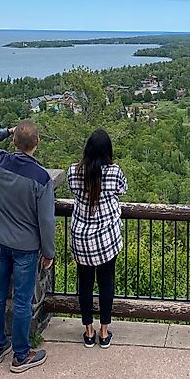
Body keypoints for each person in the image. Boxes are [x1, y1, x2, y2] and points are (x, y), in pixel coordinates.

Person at [0, 120, 55, 373]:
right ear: (37, 144)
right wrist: (49, 252)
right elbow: (46, 220)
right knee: (22, 301)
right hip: (25, 246)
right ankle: (21, 355)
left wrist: (7, 130)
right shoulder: (41, 178)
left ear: (13, 142)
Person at [67, 129, 128, 348]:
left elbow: (73, 189)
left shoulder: (74, 171)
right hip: (106, 238)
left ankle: (88, 332)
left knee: (84, 284)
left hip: (81, 238)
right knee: (106, 284)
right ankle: (104, 332)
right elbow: (123, 189)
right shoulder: (113, 171)